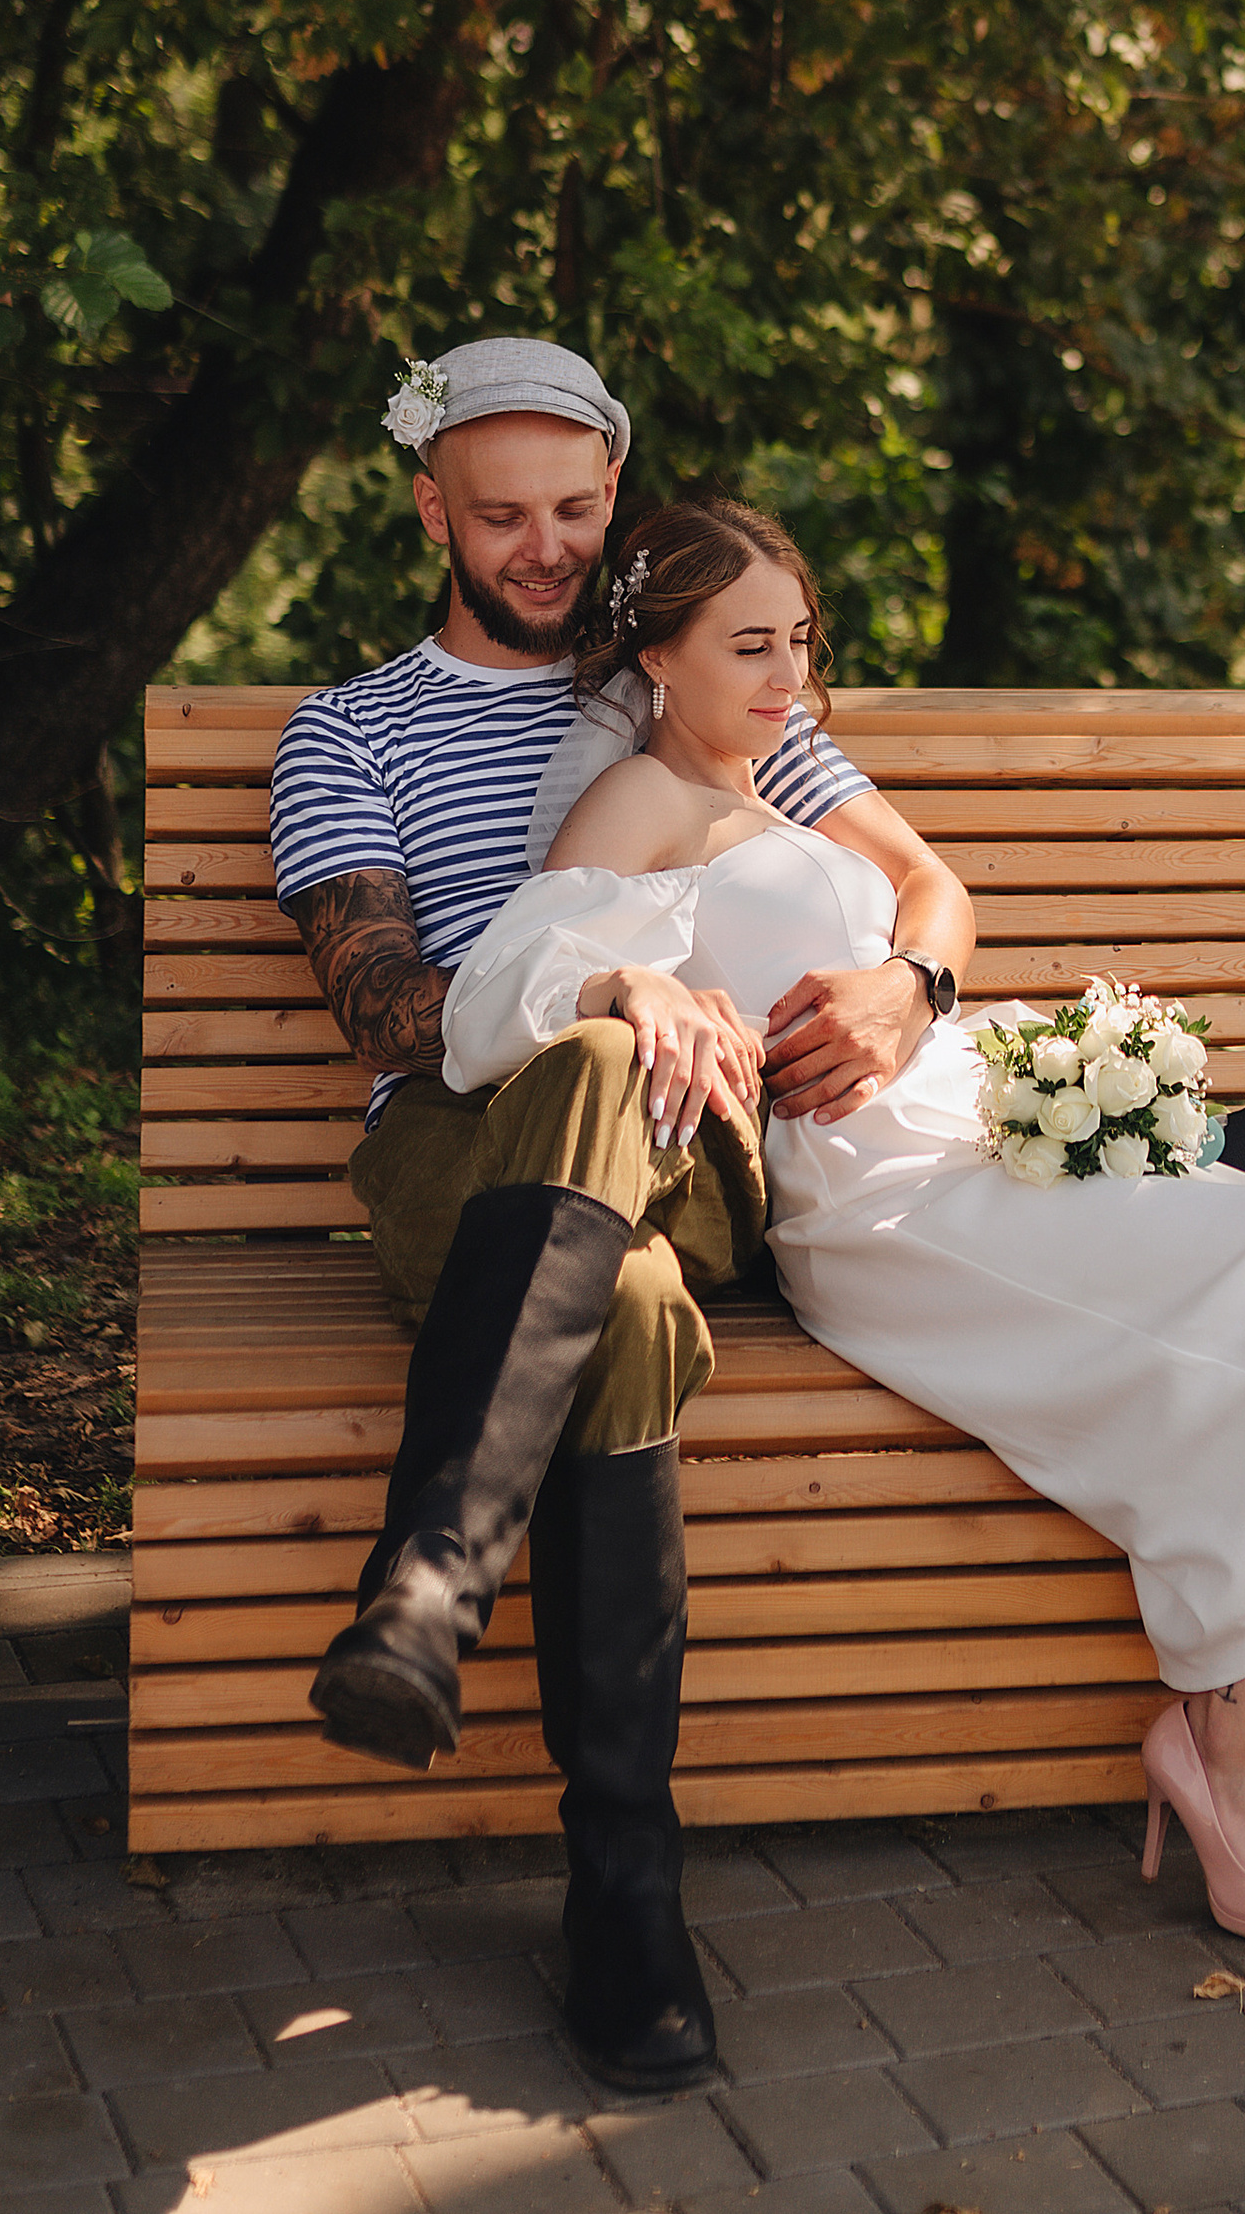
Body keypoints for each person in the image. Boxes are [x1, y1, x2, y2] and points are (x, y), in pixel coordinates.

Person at [443, 489, 1245, 1959]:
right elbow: (507, 985)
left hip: (975, 1129)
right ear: (657, 654)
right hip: (877, 1193)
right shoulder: (641, 798)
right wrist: (636, 988)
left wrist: (910, 988)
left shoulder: (784, 782)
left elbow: (931, 898)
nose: (789, 676)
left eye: (801, 642)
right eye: (749, 646)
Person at [268, 341, 975, 2097]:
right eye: (502, 514)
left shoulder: (699, 678)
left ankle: (430, 1587)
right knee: (628, 1289)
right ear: (432, 509)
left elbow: (920, 886)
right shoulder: (349, 731)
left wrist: (914, 986)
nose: (548, 546)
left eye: (577, 508)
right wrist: (603, 983)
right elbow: (385, 1012)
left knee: (618, 1100)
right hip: (460, 1150)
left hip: (706, 1150)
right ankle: (624, 1893)